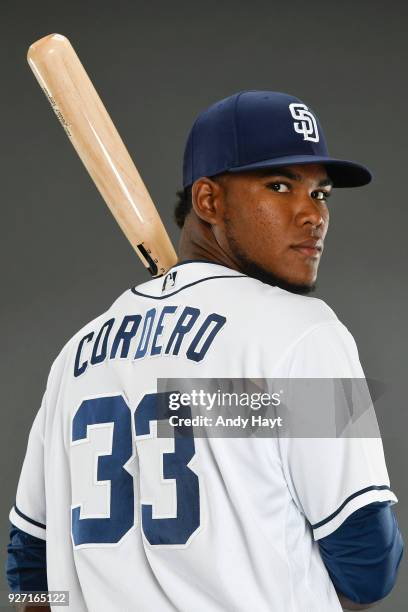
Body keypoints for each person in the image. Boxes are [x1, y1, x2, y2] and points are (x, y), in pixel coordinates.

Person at [6, 91, 403, 611]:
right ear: (209, 201)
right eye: (280, 185)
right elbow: (369, 565)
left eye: (321, 193)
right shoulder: (304, 332)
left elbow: (28, 571)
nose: (313, 215)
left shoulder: (76, 354)